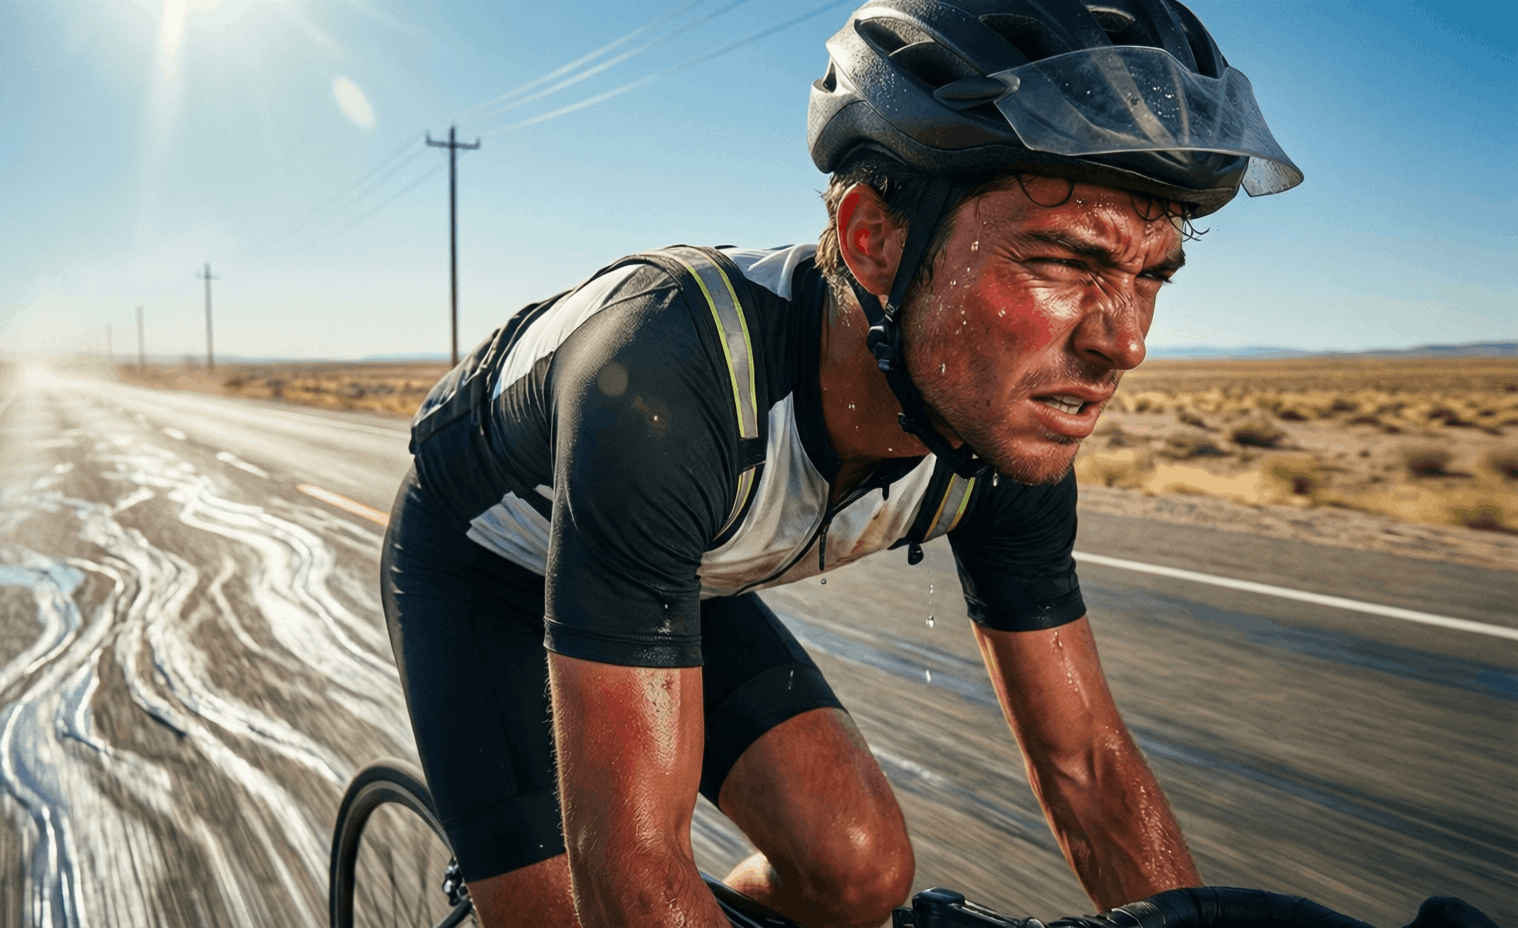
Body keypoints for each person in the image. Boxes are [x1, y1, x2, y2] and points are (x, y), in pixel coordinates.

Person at [381, 1, 1303, 925]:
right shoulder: (668, 382)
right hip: (484, 572)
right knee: (574, 911)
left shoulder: (1003, 432)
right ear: (875, 240)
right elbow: (634, 868)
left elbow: (1089, 767)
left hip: (670, 567)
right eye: (1065, 260)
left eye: (1152, 275)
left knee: (859, 870)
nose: (1125, 343)